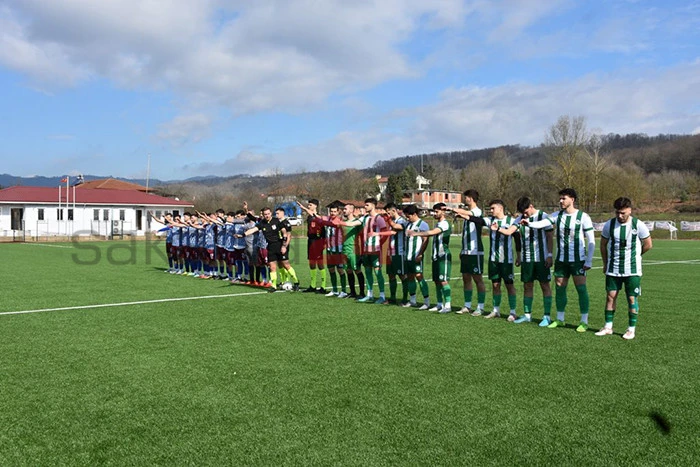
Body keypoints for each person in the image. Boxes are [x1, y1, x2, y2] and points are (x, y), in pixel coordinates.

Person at [522, 188, 595, 332]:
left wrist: (589, 260)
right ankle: (560, 319)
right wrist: (529, 223)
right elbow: (543, 223)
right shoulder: (557, 215)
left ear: (572, 200)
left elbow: (591, 239)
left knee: (581, 288)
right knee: (560, 288)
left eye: (564, 198)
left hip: (578, 259)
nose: (560, 201)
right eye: (560, 198)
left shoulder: (583, 217)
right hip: (561, 260)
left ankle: (584, 321)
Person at [595, 197, 653, 340]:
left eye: (623, 213)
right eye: (617, 213)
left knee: (632, 298)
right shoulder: (609, 225)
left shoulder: (638, 225)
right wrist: (605, 263)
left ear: (630, 210)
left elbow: (648, 244)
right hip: (613, 268)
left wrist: (637, 255)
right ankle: (608, 327)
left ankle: (631, 329)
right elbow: (603, 245)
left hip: (632, 270)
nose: (620, 216)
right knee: (610, 297)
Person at [496, 197, 554, 325]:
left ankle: (547, 316)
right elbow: (509, 231)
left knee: (545, 285)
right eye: (523, 213)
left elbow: (550, 237)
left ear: (531, 206)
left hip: (541, 258)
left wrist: (550, 255)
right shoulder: (520, 218)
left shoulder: (543, 216)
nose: (525, 215)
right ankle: (527, 315)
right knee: (527, 285)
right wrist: (498, 228)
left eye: (526, 212)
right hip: (527, 258)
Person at [407, 203, 452, 312]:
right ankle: (439, 304)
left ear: (443, 211)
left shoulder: (445, 224)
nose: (434, 214)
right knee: (437, 281)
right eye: (433, 211)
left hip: (443, 256)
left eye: (436, 211)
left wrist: (416, 234)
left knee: (443, 281)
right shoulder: (437, 224)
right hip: (436, 256)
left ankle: (448, 305)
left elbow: (432, 232)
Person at [449, 189, 487, 315]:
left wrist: (453, 209)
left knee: (478, 279)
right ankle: (467, 305)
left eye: (466, 197)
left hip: (475, 251)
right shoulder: (467, 215)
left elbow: (469, 213)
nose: (464, 200)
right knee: (466, 278)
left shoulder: (477, 211)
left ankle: (480, 307)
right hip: (466, 251)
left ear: (470, 198)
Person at [243, 207, 300, 292]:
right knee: (272, 267)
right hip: (270, 247)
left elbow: (285, 233)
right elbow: (253, 229)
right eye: (265, 214)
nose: (267, 216)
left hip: (280, 245)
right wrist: (243, 235)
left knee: (286, 265)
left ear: (271, 213)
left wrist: (284, 246)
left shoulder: (277, 221)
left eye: (268, 214)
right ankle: (274, 286)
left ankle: (296, 281)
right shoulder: (262, 223)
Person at [483, 200, 519, 320]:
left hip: (506, 260)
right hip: (493, 259)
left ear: (500, 208)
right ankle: (495, 310)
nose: (491, 210)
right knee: (495, 285)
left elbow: (517, 239)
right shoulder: (490, 220)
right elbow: (476, 219)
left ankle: (513, 312)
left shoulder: (511, 221)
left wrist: (519, 256)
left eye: (493, 208)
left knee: (509, 285)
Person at [401, 204, 431, 309]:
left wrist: (421, 253)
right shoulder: (408, 225)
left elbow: (426, 240)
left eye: (408, 216)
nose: (407, 218)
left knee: (419, 276)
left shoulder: (423, 225)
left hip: (416, 256)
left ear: (414, 214)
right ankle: (412, 300)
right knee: (410, 277)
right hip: (407, 256)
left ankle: (426, 302)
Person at [298, 199, 327, 293]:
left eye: (310, 205)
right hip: (310, 241)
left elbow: (323, 230)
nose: (309, 206)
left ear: (315, 206)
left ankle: (323, 286)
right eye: (308, 205)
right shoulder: (309, 217)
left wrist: (324, 242)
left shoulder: (319, 216)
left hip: (318, 241)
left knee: (320, 264)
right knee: (312, 263)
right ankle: (313, 285)